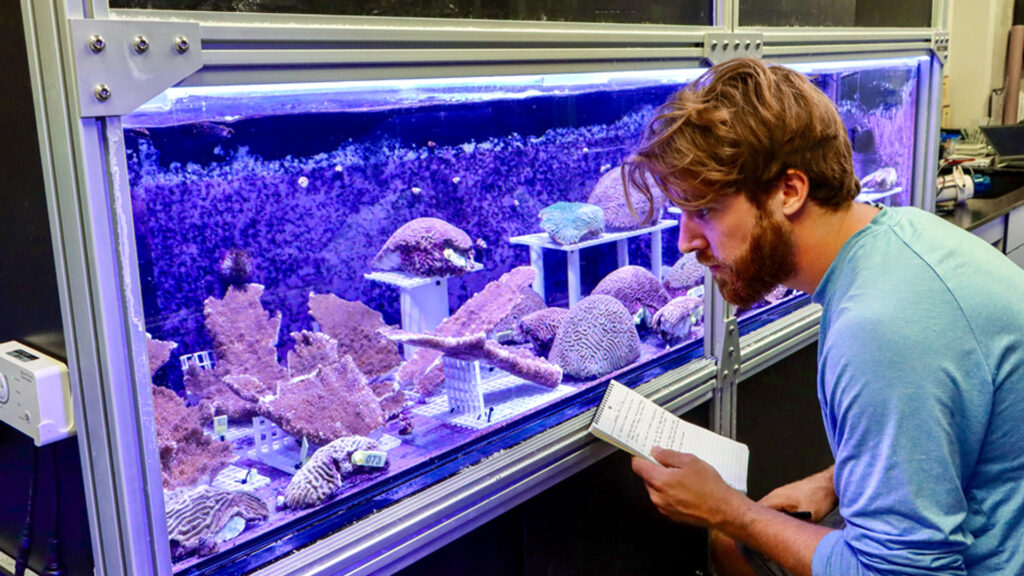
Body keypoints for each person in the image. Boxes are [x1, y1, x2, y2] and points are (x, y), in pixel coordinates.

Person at [623, 57, 1024, 576]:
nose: (687, 242)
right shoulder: (899, 237)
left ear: (789, 191)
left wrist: (732, 511)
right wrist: (837, 480)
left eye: (706, 211)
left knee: (727, 540)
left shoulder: (880, 327)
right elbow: (951, 431)